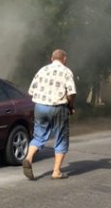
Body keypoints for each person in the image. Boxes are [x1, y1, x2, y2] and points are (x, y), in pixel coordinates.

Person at [23, 49, 76, 180]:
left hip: (40, 107)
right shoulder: (66, 71)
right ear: (64, 59)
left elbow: (31, 91)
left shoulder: (42, 70)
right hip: (57, 107)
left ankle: (28, 158)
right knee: (61, 137)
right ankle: (56, 172)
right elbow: (71, 93)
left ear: (52, 59)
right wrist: (70, 106)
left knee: (39, 135)